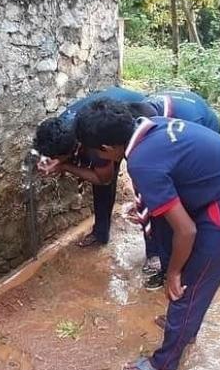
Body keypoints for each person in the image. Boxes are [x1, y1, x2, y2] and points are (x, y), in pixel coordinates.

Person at [75, 100, 220, 370]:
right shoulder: (153, 127)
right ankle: (184, 327)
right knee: (188, 279)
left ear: (106, 148)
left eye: (94, 152)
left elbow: (186, 231)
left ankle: (164, 363)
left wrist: (173, 273)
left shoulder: (142, 162)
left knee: (188, 284)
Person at [124, 89, 220, 290]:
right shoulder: (137, 121)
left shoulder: (189, 126)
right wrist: (143, 201)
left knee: (193, 209)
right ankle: (162, 261)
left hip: (202, 148)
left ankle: (216, 268)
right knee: (160, 204)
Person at [32, 85, 146, 248]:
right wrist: (52, 158)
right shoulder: (61, 125)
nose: (52, 160)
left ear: (71, 150)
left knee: (144, 179)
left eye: (55, 157)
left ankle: (154, 245)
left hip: (138, 116)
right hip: (114, 110)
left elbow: (104, 179)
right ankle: (101, 234)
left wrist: (64, 166)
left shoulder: (95, 143)